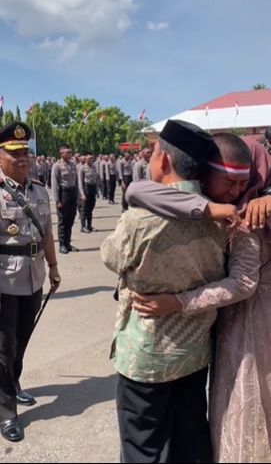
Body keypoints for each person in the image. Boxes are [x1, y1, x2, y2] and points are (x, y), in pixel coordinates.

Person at [128, 134, 271, 463]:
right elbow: (135, 190)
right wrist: (210, 207)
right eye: (227, 182)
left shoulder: (253, 214)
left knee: (243, 408)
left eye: (242, 182)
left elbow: (243, 283)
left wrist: (178, 302)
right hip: (217, 327)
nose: (235, 192)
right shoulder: (215, 207)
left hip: (248, 325)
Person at [101, 120, 233, 464]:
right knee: (190, 438)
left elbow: (111, 257)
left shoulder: (139, 221)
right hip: (194, 350)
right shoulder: (220, 214)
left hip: (147, 354)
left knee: (144, 447)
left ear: (162, 160)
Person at [0, 122, 61, 443]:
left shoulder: (38, 190)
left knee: (22, 338)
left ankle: (15, 383)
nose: (22, 158)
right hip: (3, 280)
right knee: (3, 347)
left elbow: (47, 232)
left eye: (25, 152)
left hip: (33, 275)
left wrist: (52, 266)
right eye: (14, 153)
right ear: (0, 156)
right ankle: (6, 410)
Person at [51, 145, 79, 254]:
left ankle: (68, 243)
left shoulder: (73, 165)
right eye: (67, 152)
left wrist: (77, 195)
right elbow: (54, 183)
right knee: (63, 220)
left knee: (71, 220)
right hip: (63, 193)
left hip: (72, 193)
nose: (70, 154)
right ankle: (62, 245)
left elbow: (76, 182)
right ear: (61, 153)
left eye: (71, 152)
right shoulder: (57, 166)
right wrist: (57, 200)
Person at [78, 154, 98, 233]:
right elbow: (80, 182)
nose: (91, 160)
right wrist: (82, 194)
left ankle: (89, 225)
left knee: (91, 208)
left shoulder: (94, 167)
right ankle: (83, 226)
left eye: (92, 158)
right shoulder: (82, 168)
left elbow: (96, 179)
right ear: (86, 159)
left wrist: (96, 191)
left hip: (92, 188)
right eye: (89, 158)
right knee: (84, 209)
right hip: (86, 188)